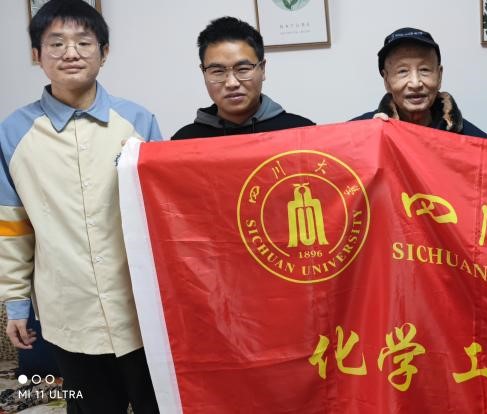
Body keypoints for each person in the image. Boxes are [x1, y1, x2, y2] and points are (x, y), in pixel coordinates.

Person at [0, 0, 161, 412]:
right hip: (68, 314)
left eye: (84, 42)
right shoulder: (14, 133)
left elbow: (163, 216)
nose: (70, 53)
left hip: (142, 311)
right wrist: (15, 303)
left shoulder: (138, 122)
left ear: (103, 53)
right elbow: (13, 227)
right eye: (56, 43)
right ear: (37, 55)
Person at [172, 16, 314, 140]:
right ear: (203, 73)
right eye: (217, 71)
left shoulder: (302, 133)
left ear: (262, 69)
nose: (231, 83)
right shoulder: (184, 141)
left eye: (243, 69)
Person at [352, 27, 487, 139]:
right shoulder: (360, 135)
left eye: (424, 70)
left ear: (439, 76)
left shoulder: (475, 142)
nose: (415, 83)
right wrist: (371, 141)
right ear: (387, 80)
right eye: (402, 71)